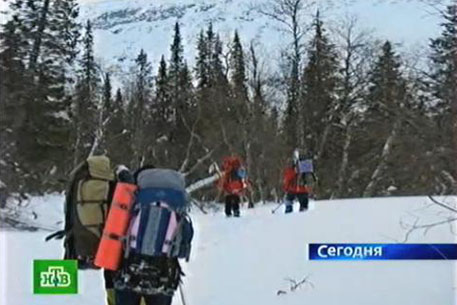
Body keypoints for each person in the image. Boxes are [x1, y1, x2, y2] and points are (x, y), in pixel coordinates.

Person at [113, 165, 192, 305]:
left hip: (129, 269)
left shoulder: (132, 202)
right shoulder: (178, 209)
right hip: (164, 273)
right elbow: (182, 250)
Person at [282, 149, 317, 213]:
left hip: (292, 189)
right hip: (303, 188)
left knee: (288, 202)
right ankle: (303, 219)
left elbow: (287, 178)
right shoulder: (307, 165)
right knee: (304, 208)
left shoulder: (292, 168)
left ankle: (288, 217)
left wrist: (286, 188)